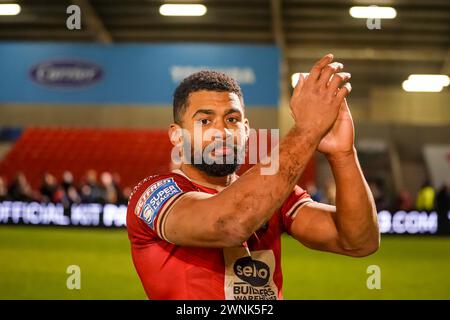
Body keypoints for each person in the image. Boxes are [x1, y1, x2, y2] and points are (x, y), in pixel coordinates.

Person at [126, 54, 380, 300]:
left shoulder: (274, 192)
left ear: (246, 130)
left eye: (232, 119)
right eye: (204, 121)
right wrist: (307, 131)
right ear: (177, 136)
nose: (221, 132)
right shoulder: (154, 193)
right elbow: (229, 224)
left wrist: (342, 155)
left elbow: (359, 242)